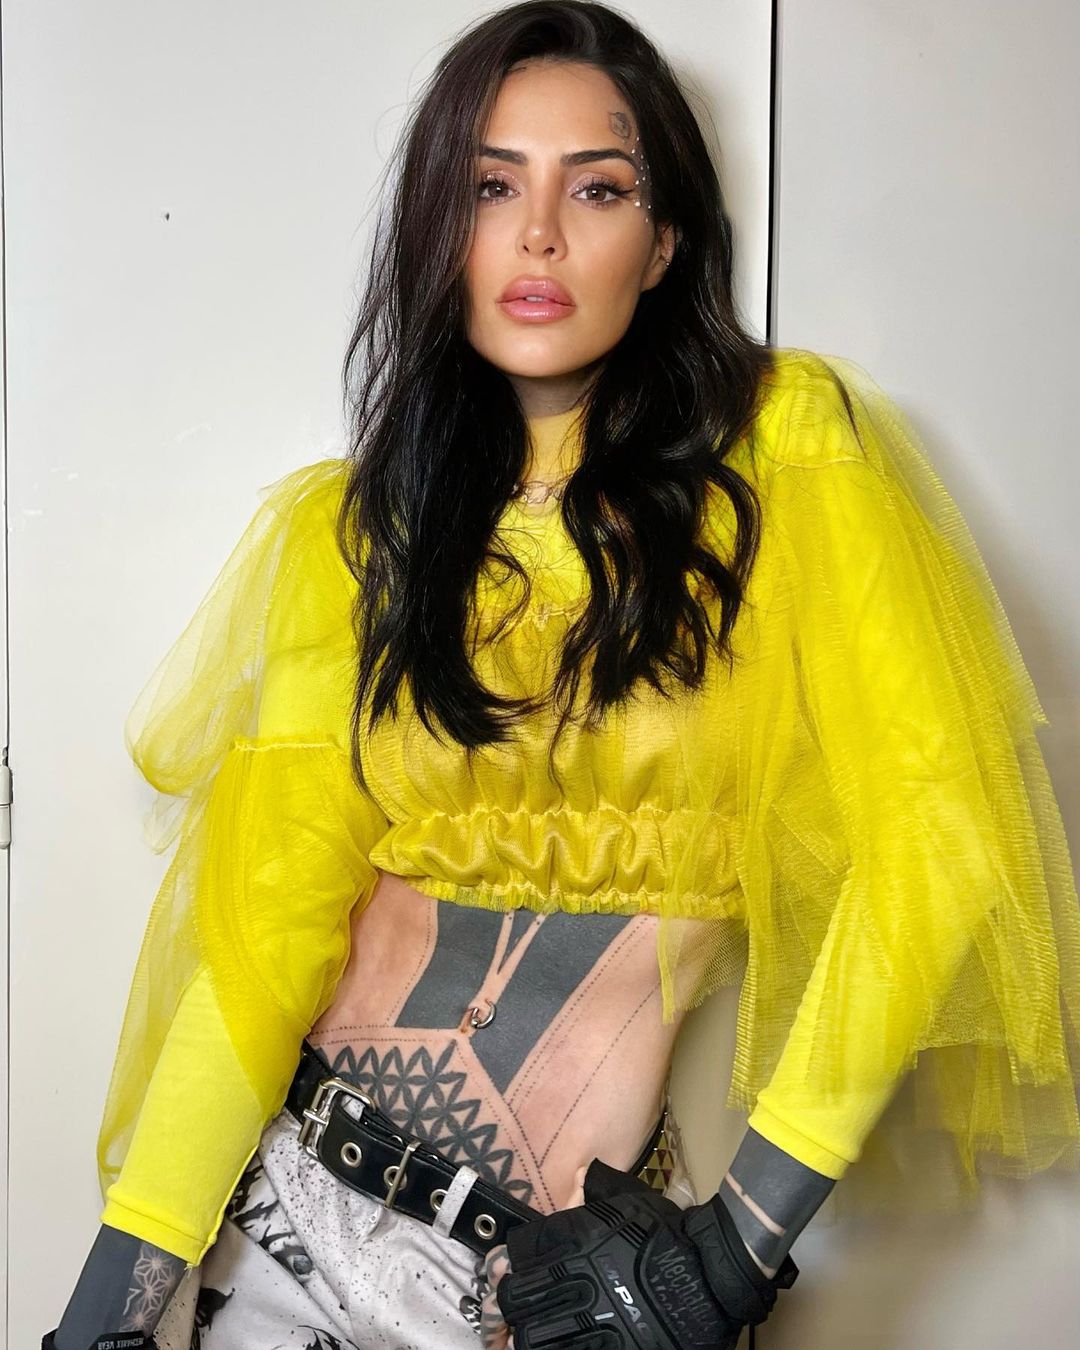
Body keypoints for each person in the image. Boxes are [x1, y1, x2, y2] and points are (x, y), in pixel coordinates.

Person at [45, 3, 1080, 1348]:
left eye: (596, 189)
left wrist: (740, 1244)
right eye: (491, 187)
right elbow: (260, 952)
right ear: (442, 228)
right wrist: (106, 1311)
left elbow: (939, 840)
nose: (537, 235)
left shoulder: (789, 457)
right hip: (287, 1230)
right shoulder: (355, 533)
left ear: (665, 241)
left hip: (570, 1294)